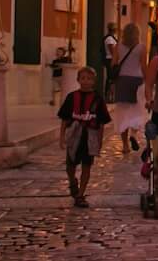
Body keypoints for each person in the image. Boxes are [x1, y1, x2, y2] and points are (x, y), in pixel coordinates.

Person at [58, 66, 112, 208]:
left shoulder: (98, 99)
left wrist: (100, 141)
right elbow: (64, 118)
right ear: (78, 80)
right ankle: (72, 181)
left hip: (90, 136)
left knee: (86, 165)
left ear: (93, 81)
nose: (86, 81)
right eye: (83, 78)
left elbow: (101, 122)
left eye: (89, 78)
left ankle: (81, 194)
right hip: (74, 135)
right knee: (70, 164)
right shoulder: (71, 97)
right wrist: (62, 136)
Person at [112, 24, 148, 152]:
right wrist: (148, 80)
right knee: (137, 109)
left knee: (122, 111)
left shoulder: (118, 46)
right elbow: (143, 66)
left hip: (122, 80)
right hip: (136, 80)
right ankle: (133, 134)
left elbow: (114, 63)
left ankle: (125, 145)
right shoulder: (141, 48)